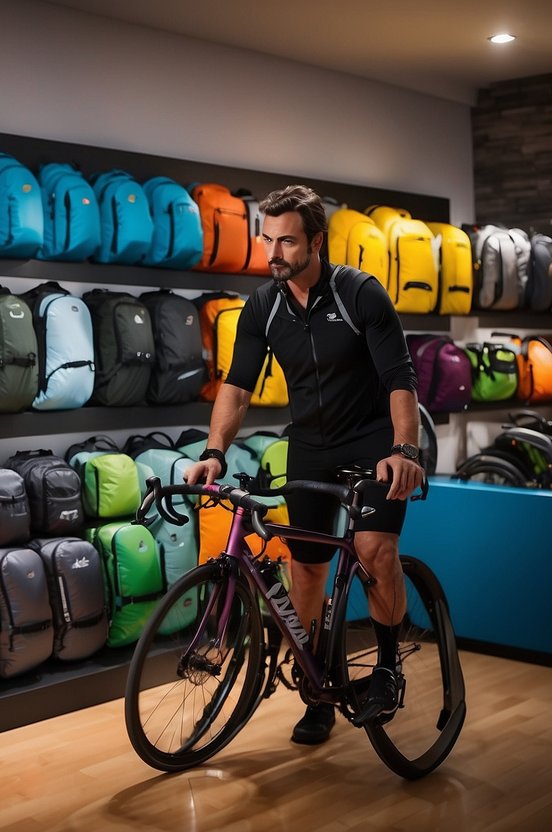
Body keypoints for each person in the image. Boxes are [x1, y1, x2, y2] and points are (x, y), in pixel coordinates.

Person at [183, 184, 425, 745]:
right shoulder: (263, 306)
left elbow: (399, 380)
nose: (273, 252)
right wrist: (214, 451)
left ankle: (388, 666)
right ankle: (318, 686)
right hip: (310, 446)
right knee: (308, 569)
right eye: (267, 239)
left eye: (286, 241)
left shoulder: (359, 294)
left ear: (316, 241)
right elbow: (236, 388)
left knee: (373, 549)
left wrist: (405, 449)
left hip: (374, 444)